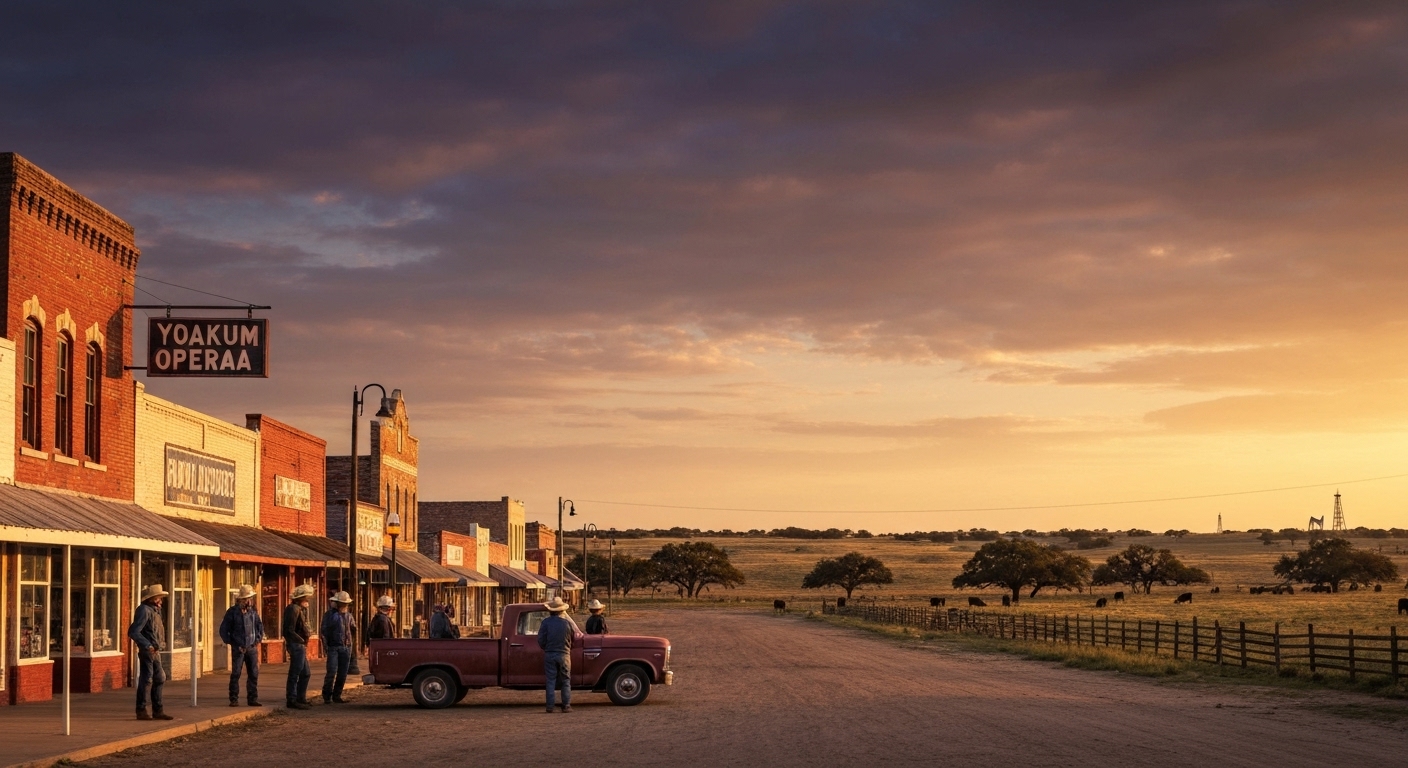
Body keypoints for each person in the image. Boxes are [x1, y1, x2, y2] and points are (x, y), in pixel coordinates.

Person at [127, 584, 173, 721]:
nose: (161, 600)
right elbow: (133, 631)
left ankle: (158, 710)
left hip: (155, 650)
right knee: (147, 679)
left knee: (160, 678)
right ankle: (141, 709)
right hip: (148, 650)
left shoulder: (155, 612)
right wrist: (147, 645)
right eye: (159, 597)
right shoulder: (144, 610)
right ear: (153, 598)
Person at [218, 584, 265, 707]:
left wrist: (257, 640)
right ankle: (233, 699)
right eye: (246, 599)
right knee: (236, 674)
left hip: (251, 648)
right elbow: (223, 630)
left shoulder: (253, 613)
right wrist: (232, 643)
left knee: (253, 674)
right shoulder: (232, 612)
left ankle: (252, 699)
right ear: (240, 600)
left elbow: (259, 627)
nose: (249, 602)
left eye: (250, 599)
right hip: (238, 648)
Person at [537, 596, 575, 713]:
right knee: (565, 680)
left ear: (550, 610)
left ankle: (550, 706)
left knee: (550, 681)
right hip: (564, 654)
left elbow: (541, 640)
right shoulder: (567, 623)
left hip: (550, 653)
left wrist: (546, 648)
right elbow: (572, 638)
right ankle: (566, 705)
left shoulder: (545, 623)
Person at [282, 583, 316, 710]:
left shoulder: (299, 610)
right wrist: (301, 639)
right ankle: (292, 699)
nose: (307, 600)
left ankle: (300, 698)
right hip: (296, 645)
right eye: (306, 598)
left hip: (300, 644)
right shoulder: (293, 609)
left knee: (305, 673)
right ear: (300, 598)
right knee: (295, 673)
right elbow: (288, 630)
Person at [320, 591, 354, 704]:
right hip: (333, 647)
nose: (344, 606)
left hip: (346, 646)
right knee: (332, 672)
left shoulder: (349, 616)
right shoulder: (330, 615)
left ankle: (337, 695)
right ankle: (327, 695)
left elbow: (353, 629)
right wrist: (326, 646)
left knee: (342, 673)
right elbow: (324, 631)